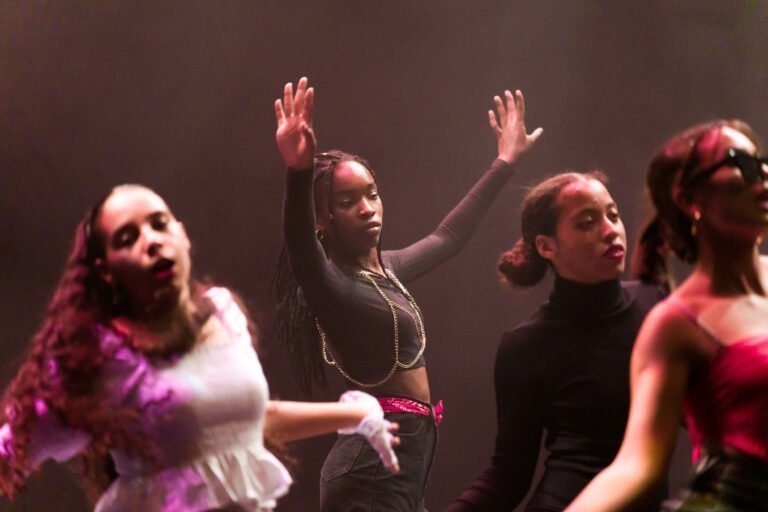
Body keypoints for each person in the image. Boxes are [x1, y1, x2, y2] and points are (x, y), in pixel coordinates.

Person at [0, 183, 399, 512]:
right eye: (128, 237)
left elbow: (246, 420)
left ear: (183, 235)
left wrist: (358, 413)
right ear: (105, 271)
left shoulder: (222, 314)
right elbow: (12, 448)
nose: (151, 241)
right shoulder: (98, 361)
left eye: (159, 224)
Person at [273, 76, 542, 511]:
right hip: (367, 470)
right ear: (324, 218)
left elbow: (449, 237)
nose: (367, 208)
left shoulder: (389, 270)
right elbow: (300, 242)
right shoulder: (331, 285)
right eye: (347, 202)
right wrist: (299, 171)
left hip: (402, 462)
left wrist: (505, 161)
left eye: (372, 195)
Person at [565, 120, 768, 512]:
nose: (761, 173)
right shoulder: (676, 323)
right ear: (689, 197)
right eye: (739, 161)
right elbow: (635, 465)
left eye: (761, 161)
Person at [444, 170, 668, 512]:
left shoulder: (659, 307)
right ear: (546, 246)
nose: (611, 230)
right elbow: (508, 477)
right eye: (587, 222)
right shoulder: (525, 345)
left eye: (613, 215)